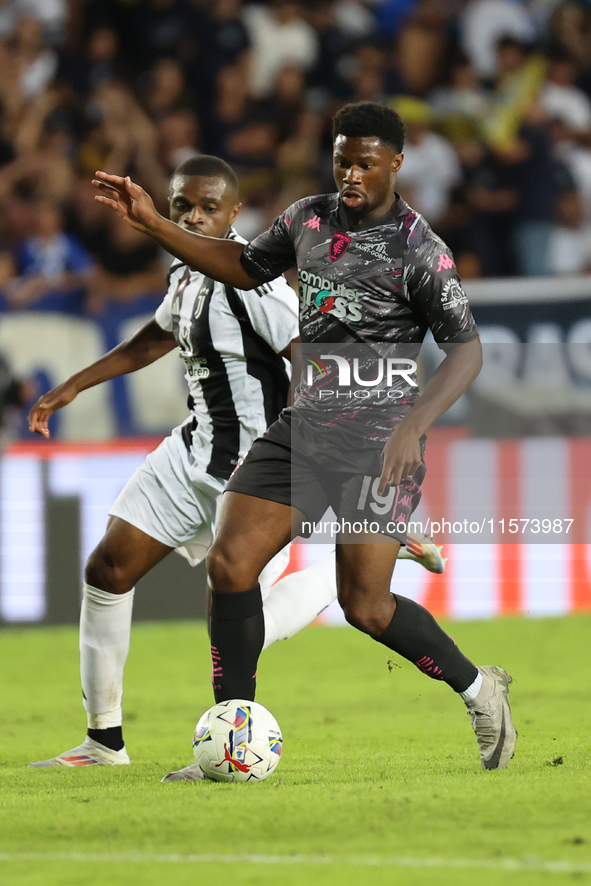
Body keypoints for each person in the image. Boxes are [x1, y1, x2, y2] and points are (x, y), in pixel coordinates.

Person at [91, 102, 516, 778]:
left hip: (381, 442)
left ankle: (476, 687)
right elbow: (239, 264)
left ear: (395, 164)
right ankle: (230, 742)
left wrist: (413, 426)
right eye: (342, 159)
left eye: (365, 163)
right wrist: (153, 222)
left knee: (365, 607)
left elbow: (464, 352)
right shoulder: (307, 220)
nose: (349, 173)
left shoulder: (420, 251)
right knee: (230, 566)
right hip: (306, 428)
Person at [28, 153, 443, 771]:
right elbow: (158, 335)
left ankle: (361, 557)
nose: (193, 216)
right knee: (107, 569)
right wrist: (75, 385)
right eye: (182, 206)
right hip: (191, 451)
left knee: (240, 623)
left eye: (207, 207)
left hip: (255, 467)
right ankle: (104, 742)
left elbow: (310, 354)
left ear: (233, 213)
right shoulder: (185, 271)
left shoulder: (255, 280)